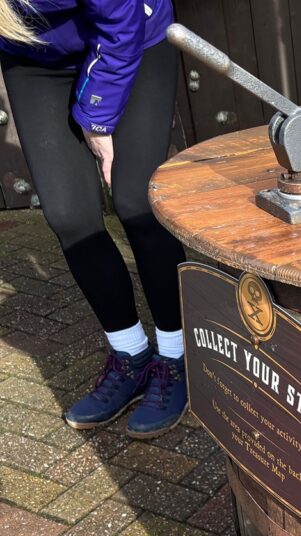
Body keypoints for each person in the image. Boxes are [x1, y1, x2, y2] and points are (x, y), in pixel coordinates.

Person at [0, 0, 188, 438]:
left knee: (137, 203)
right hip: (35, 58)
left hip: (131, 37)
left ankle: (178, 357)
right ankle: (131, 355)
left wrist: (97, 119)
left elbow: (120, 21)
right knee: (70, 218)